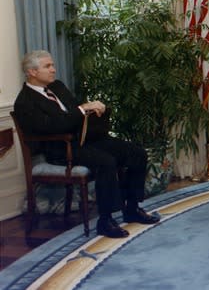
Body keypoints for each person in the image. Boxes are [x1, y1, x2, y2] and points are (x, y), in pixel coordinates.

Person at [13, 50, 160, 238]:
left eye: (53, 65)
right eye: (48, 66)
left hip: (85, 139)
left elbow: (74, 112)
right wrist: (83, 109)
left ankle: (131, 208)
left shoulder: (57, 87)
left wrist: (94, 113)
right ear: (32, 72)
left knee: (136, 152)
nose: (53, 70)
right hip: (61, 149)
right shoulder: (25, 102)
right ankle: (105, 221)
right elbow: (54, 126)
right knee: (106, 161)